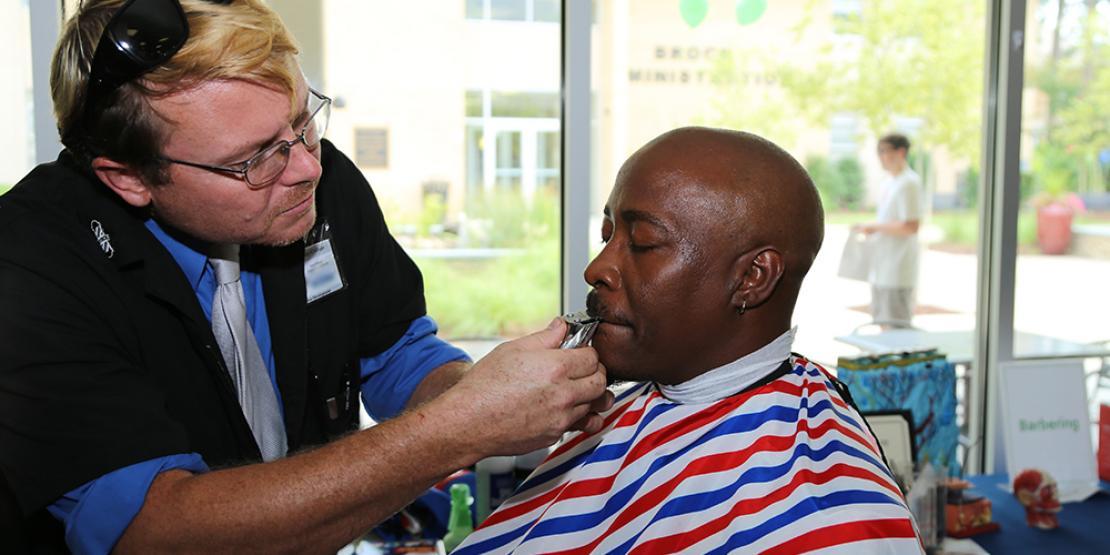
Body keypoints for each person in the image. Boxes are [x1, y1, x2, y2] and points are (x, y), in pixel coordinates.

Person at [0, 1, 611, 552]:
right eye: (254, 159)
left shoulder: (320, 180)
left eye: (302, 120)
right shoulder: (32, 267)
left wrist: (496, 393)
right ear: (127, 177)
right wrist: (459, 429)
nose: (305, 168)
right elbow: (153, 530)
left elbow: (396, 352)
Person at [455, 127, 922, 554]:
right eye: (607, 236)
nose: (596, 269)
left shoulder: (832, 522)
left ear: (751, 278)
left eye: (640, 243)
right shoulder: (632, 403)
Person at [854, 133, 924, 329]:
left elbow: (910, 226)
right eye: (879, 152)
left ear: (900, 152)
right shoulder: (888, 182)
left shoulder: (909, 183)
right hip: (882, 267)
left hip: (898, 269)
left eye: (885, 151)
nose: (881, 157)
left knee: (896, 329)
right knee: (882, 324)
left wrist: (873, 227)